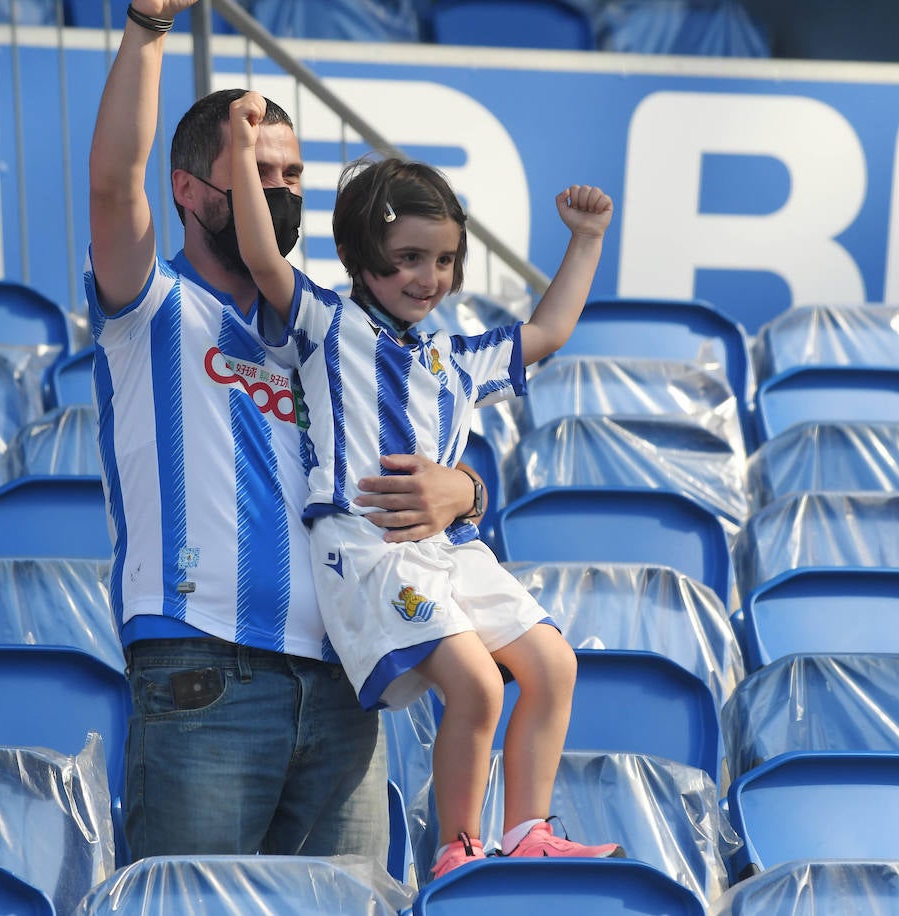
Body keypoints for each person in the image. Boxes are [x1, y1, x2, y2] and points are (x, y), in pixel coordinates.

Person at [85, 0, 484, 861]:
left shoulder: (341, 326)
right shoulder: (151, 304)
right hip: (204, 680)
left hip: (351, 678)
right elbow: (115, 185)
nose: (282, 191)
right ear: (191, 190)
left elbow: (439, 433)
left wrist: (469, 490)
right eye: (255, 169)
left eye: (295, 174)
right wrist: (148, 31)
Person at [226, 90, 624, 879]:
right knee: (477, 682)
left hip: (451, 547)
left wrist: (585, 241)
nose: (427, 277)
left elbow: (545, 332)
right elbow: (264, 259)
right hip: (368, 550)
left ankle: (530, 829)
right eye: (407, 258)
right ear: (360, 259)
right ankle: (457, 849)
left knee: (553, 665)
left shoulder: (454, 355)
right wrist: (241, 156)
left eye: (442, 260)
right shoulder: (325, 323)